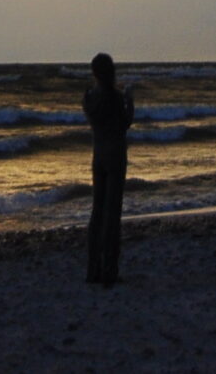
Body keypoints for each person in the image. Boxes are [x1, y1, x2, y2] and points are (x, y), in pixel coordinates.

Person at [83, 51, 135, 285]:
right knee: (112, 214)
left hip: (98, 155)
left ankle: (92, 268)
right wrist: (129, 99)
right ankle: (109, 270)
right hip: (115, 154)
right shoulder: (114, 97)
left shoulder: (89, 97)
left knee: (97, 212)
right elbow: (124, 123)